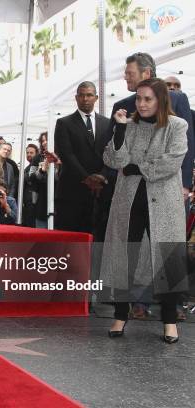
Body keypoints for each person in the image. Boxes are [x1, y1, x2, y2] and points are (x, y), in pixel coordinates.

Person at [100, 52, 195, 319]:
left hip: (168, 190)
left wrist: (185, 184)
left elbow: (186, 149)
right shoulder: (122, 107)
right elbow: (115, 156)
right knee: (134, 249)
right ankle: (136, 304)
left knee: (166, 248)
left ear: (147, 73)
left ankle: (172, 309)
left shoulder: (177, 101)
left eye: (130, 72)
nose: (125, 77)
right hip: (132, 193)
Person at [55, 81, 111, 233]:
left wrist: (102, 176)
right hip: (72, 192)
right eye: (81, 95)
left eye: (89, 95)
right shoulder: (63, 123)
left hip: (101, 192)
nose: (85, 99)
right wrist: (87, 178)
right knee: (71, 241)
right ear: (76, 98)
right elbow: (66, 154)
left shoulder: (107, 123)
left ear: (96, 98)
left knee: (98, 239)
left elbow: (111, 153)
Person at [22, 144, 39, 227]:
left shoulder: (38, 166)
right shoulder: (27, 167)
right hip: (27, 202)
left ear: (36, 154)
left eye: (31, 153)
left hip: (34, 202)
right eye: (27, 152)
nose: (29, 154)